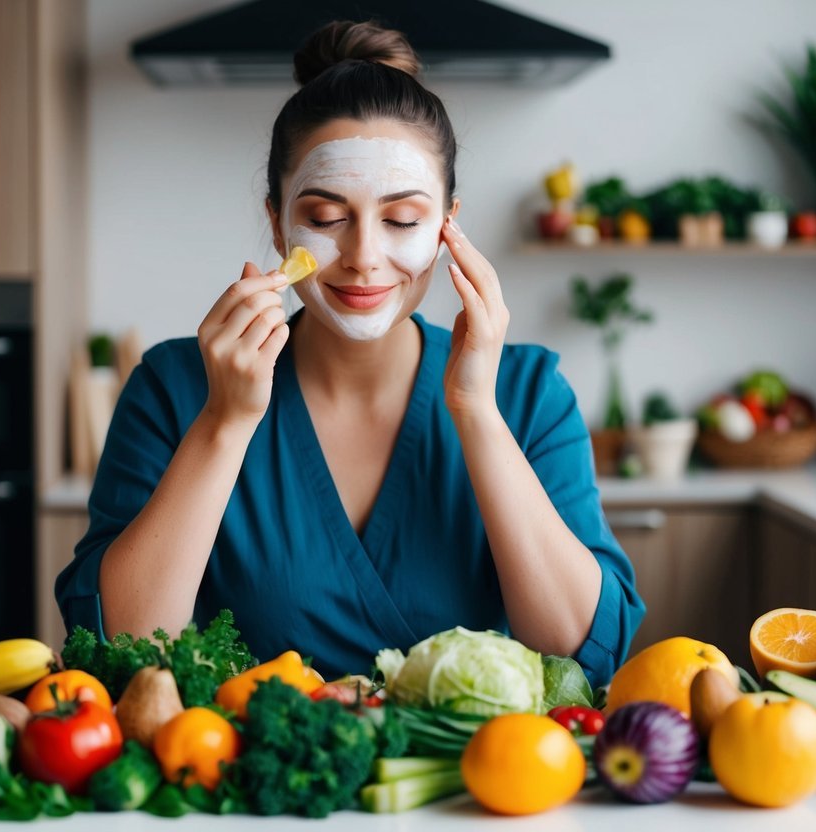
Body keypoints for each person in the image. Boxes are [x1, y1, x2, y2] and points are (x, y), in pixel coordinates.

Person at [57, 20, 644, 685]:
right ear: (277, 222)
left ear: (447, 225)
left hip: (481, 781)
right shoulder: (175, 387)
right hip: (256, 783)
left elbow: (581, 649)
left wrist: (475, 411)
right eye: (328, 218)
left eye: (401, 220)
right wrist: (224, 423)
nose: (364, 258)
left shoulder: (527, 392)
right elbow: (115, 649)